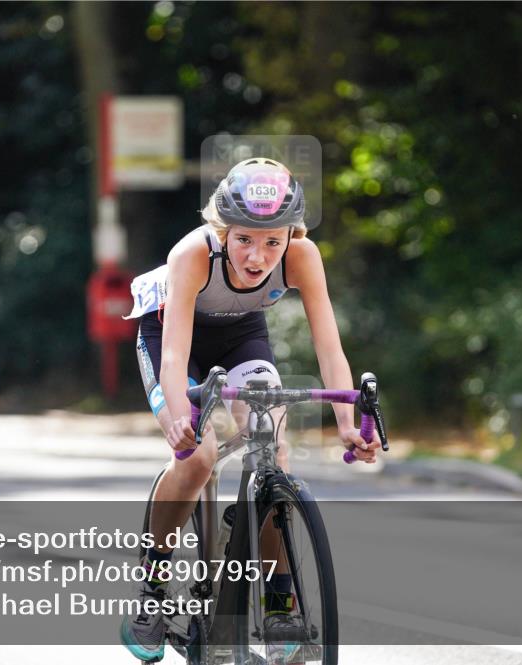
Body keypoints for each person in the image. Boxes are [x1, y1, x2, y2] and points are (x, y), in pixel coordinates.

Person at [120, 157, 380, 661]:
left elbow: (329, 346)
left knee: (275, 452)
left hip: (242, 338)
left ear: (292, 235)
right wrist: (180, 418)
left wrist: (347, 423)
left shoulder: (303, 255)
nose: (258, 256)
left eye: (272, 242)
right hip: (173, 336)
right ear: (221, 231)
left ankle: (280, 601)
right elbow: (173, 353)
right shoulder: (192, 255)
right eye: (244, 239)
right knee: (197, 457)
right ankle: (153, 587)